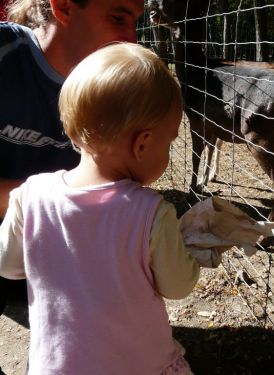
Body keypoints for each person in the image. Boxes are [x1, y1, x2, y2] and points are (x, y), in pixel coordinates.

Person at [0, 42, 199, 374]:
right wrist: (190, 254)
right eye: (170, 140)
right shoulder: (152, 213)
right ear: (143, 143)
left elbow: (7, 266)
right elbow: (178, 286)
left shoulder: (29, 195)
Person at [0, 0, 145, 314]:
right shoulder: (6, 55)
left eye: (134, 22)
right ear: (64, 6)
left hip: (50, 252)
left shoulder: (108, 90)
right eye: (118, 17)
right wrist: (51, 197)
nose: (132, 38)